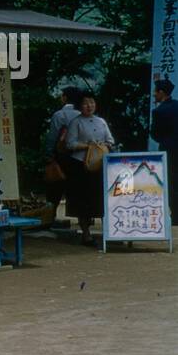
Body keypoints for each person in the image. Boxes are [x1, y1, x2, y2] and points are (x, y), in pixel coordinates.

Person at [63, 92, 116, 246]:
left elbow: (110, 140)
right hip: (80, 166)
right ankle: (86, 234)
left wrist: (103, 146)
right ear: (80, 106)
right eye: (86, 103)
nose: (89, 106)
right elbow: (69, 144)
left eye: (92, 102)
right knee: (82, 200)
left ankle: (108, 233)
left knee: (101, 198)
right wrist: (88, 146)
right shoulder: (76, 122)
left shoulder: (101, 121)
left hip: (100, 165)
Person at [46, 87, 81, 219]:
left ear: (65, 98)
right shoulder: (81, 115)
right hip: (78, 156)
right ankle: (83, 218)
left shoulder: (59, 115)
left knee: (56, 186)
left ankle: (51, 216)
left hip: (61, 155)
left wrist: (49, 154)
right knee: (77, 187)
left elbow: (52, 137)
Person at [150, 79, 178, 224]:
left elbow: (154, 134)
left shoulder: (158, 111)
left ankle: (175, 216)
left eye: (156, 92)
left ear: (161, 92)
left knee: (171, 183)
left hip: (169, 151)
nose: (154, 94)